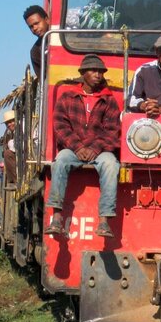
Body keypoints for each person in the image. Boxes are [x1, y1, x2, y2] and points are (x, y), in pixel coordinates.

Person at [45, 55, 121, 238]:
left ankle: (104, 222)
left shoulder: (108, 100)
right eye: (93, 71)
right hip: (73, 149)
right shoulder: (67, 97)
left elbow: (112, 130)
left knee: (111, 165)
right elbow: (60, 126)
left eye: (101, 72)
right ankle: (56, 217)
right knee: (60, 161)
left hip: (100, 151)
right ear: (82, 74)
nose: (98, 74)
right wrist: (78, 147)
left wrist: (95, 148)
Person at [23, 5, 50, 78]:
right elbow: (43, 80)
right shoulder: (35, 51)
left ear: (47, 20)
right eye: (31, 27)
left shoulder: (64, 35)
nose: (34, 28)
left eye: (36, 23)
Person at [1, 110, 17, 185]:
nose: (9, 124)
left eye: (11, 122)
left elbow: (14, 147)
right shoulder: (12, 133)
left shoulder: (21, 128)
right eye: (7, 123)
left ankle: (16, 180)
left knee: (7, 153)